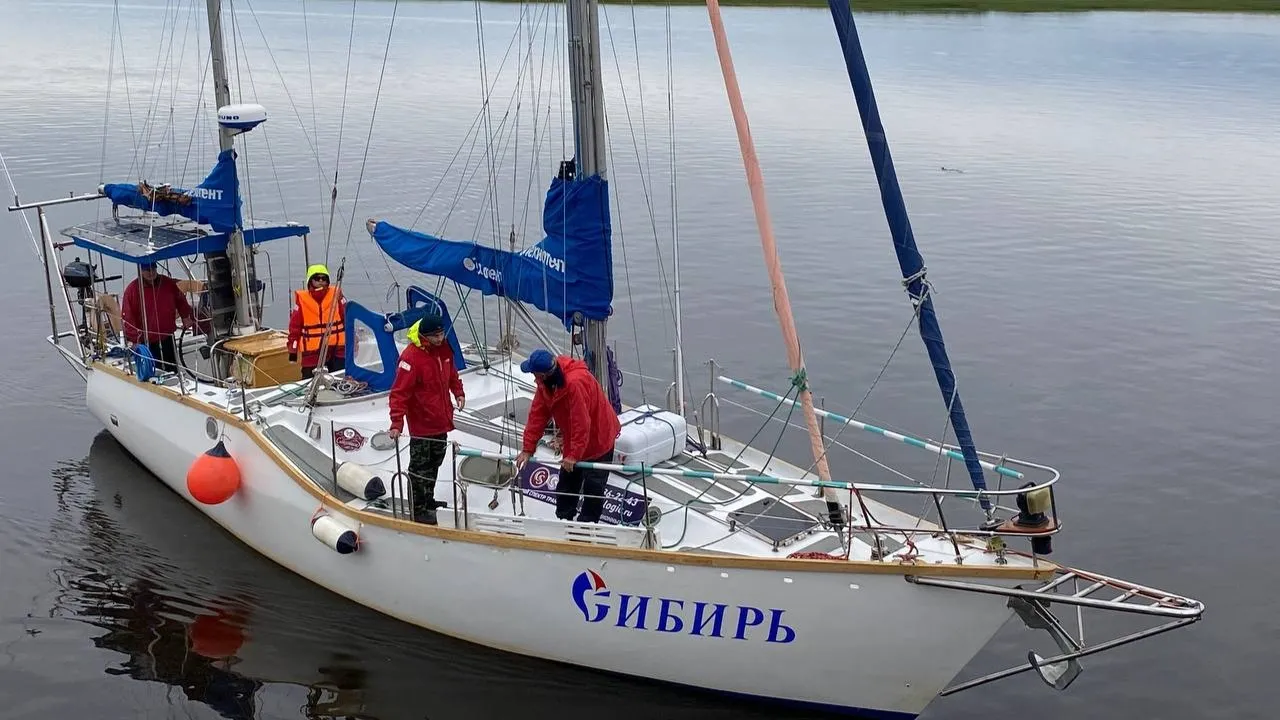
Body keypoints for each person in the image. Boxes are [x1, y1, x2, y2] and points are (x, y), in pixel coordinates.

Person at [515, 349, 621, 524]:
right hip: (574, 440)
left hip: (599, 438)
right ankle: (564, 520)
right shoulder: (546, 384)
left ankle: (586, 527)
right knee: (566, 486)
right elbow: (537, 415)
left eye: (535, 374)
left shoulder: (575, 383)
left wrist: (574, 455)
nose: (534, 378)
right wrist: (528, 448)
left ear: (543, 374)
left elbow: (582, 423)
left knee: (593, 487)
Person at [387, 313, 465, 524]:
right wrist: (396, 423)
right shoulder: (411, 358)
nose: (439, 338)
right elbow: (399, 393)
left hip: (440, 420)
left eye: (441, 333)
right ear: (424, 336)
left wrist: (458, 392)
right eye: (435, 336)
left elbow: (452, 375)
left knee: (434, 464)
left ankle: (428, 500)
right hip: (422, 425)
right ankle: (418, 508)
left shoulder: (444, 350)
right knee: (420, 469)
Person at [121, 262, 195, 372]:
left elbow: (180, 300)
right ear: (141, 271)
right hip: (146, 342)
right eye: (147, 270)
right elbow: (128, 318)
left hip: (167, 337)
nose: (151, 273)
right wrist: (135, 340)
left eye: (153, 269)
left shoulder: (168, 283)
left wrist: (185, 316)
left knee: (172, 369)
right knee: (153, 371)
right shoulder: (132, 290)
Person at [287, 264, 347, 379]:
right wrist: (293, 350)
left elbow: (347, 319)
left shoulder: (337, 295)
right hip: (312, 354)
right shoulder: (302, 301)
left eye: (324, 278)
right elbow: (295, 328)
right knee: (310, 382)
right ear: (310, 281)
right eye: (317, 278)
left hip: (337, 350)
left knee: (340, 379)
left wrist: (354, 340)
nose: (320, 281)